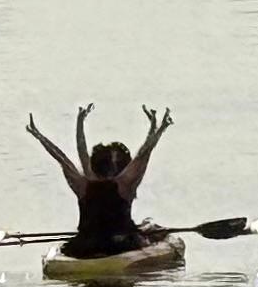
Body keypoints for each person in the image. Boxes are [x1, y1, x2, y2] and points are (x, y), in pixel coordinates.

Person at [30, 105, 168, 258]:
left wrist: (39, 135)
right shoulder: (124, 184)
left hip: (86, 245)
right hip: (120, 245)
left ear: (94, 165)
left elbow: (62, 157)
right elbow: (143, 155)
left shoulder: (83, 186)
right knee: (150, 231)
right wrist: (157, 128)